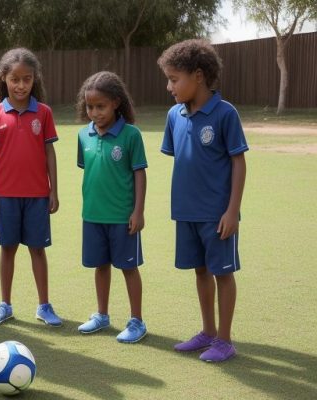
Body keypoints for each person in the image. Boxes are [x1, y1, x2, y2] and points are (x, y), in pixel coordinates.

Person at [159, 39, 248, 363]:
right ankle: (208, 332)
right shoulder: (174, 115)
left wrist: (232, 211)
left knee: (221, 272)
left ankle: (225, 340)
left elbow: (238, 162)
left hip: (217, 214)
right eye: (168, 79)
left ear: (198, 76)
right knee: (200, 271)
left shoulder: (225, 114)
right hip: (185, 212)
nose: (169, 86)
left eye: (174, 79)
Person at [0, 48, 63, 327]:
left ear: (34, 79)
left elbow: (49, 152)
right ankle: (5, 305)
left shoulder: (44, 112)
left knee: (38, 250)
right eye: (15, 79)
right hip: (5, 196)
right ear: (4, 78)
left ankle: (44, 306)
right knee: (7, 249)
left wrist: (53, 189)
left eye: (26, 79)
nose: (21, 85)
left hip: (38, 195)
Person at [74, 71, 148, 343]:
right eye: (90, 107)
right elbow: (89, 171)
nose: (94, 113)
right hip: (93, 216)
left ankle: (137, 321)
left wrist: (138, 211)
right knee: (100, 266)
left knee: (128, 268)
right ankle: (102, 315)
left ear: (116, 102)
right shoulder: (84, 135)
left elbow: (139, 174)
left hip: (122, 217)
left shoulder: (131, 136)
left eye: (100, 106)